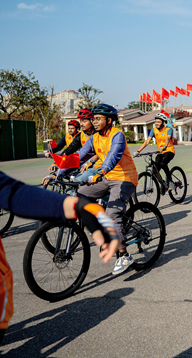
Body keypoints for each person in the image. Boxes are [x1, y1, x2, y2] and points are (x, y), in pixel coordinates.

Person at [0, 171, 122, 345]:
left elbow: (12, 192)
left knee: (113, 213)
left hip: (120, 177)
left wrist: (77, 206)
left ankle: (124, 254)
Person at [76, 104, 139, 275]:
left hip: (124, 178)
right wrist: (59, 169)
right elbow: (80, 155)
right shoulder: (95, 137)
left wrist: (101, 172)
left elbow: (113, 156)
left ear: (109, 120)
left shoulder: (117, 135)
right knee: (80, 195)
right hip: (107, 177)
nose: (93, 122)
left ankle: (124, 255)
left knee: (112, 216)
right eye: (93, 119)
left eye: (98, 119)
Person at [134, 112, 175, 190]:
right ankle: (163, 184)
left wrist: (165, 146)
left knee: (163, 163)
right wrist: (138, 151)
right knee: (155, 169)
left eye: (158, 122)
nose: (156, 123)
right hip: (160, 152)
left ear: (163, 122)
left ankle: (170, 181)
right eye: (155, 122)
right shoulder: (154, 130)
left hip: (169, 150)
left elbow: (168, 138)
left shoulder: (169, 130)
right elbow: (147, 141)